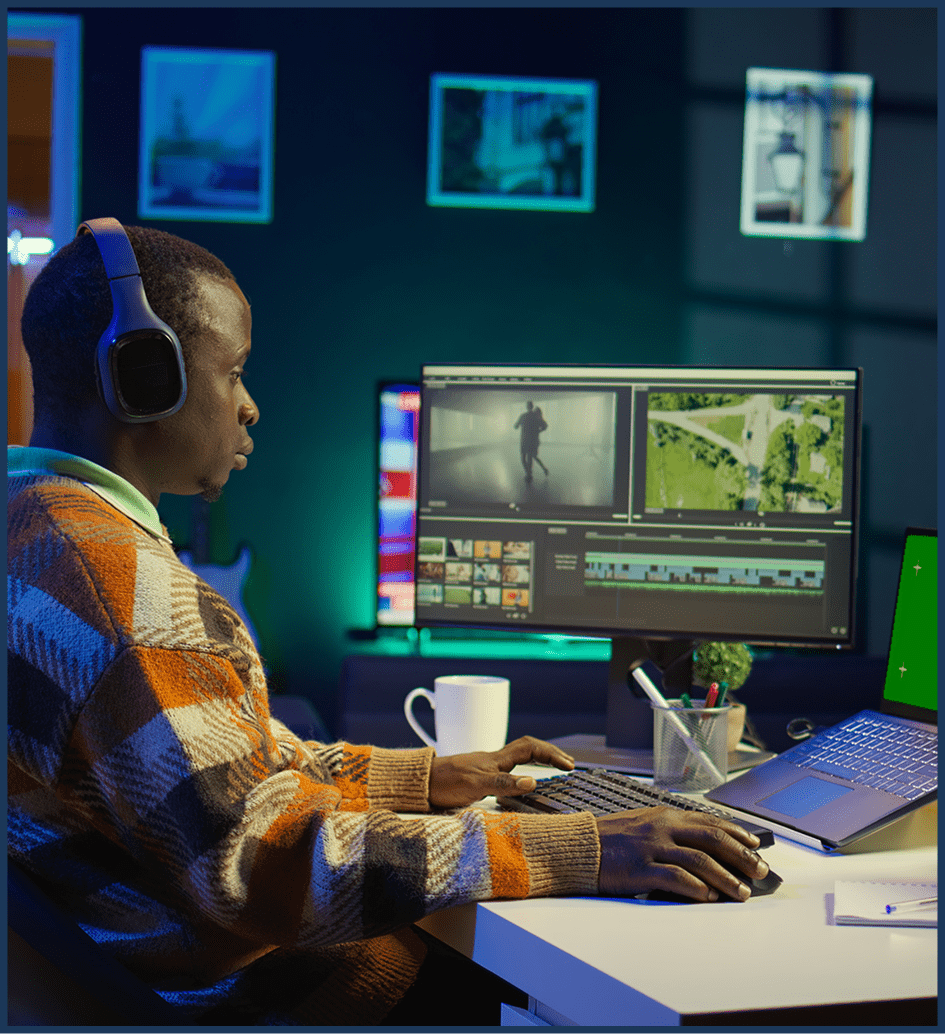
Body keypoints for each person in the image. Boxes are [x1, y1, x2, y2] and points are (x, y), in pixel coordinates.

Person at [8, 222, 770, 1025]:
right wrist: (587, 848)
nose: (249, 404)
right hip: (283, 1002)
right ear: (143, 378)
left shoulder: (33, 531)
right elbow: (262, 864)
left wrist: (423, 780)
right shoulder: (126, 595)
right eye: (232, 371)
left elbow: (221, 775)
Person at [513, 400, 548, 482]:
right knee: (531, 457)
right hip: (533, 440)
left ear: (527, 406)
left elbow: (516, 426)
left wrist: (516, 425)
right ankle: (530, 473)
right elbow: (545, 426)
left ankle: (528, 473)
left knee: (523, 458)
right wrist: (539, 431)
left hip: (524, 440)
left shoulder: (523, 416)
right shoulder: (536, 416)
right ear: (532, 406)